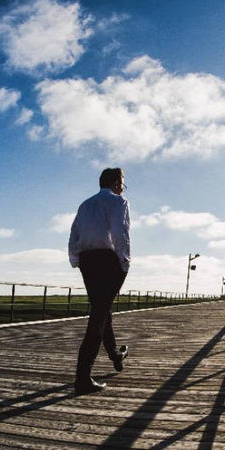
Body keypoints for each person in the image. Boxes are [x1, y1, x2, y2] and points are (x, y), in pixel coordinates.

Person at [68, 167, 131, 395]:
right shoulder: (119, 202)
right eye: (122, 182)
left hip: (87, 260)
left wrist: (76, 260)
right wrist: (124, 262)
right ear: (115, 183)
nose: (123, 187)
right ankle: (82, 377)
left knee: (101, 309)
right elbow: (120, 233)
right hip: (107, 259)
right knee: (98, 315)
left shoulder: (85, 205)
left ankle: (115, 354)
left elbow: (74, 233)